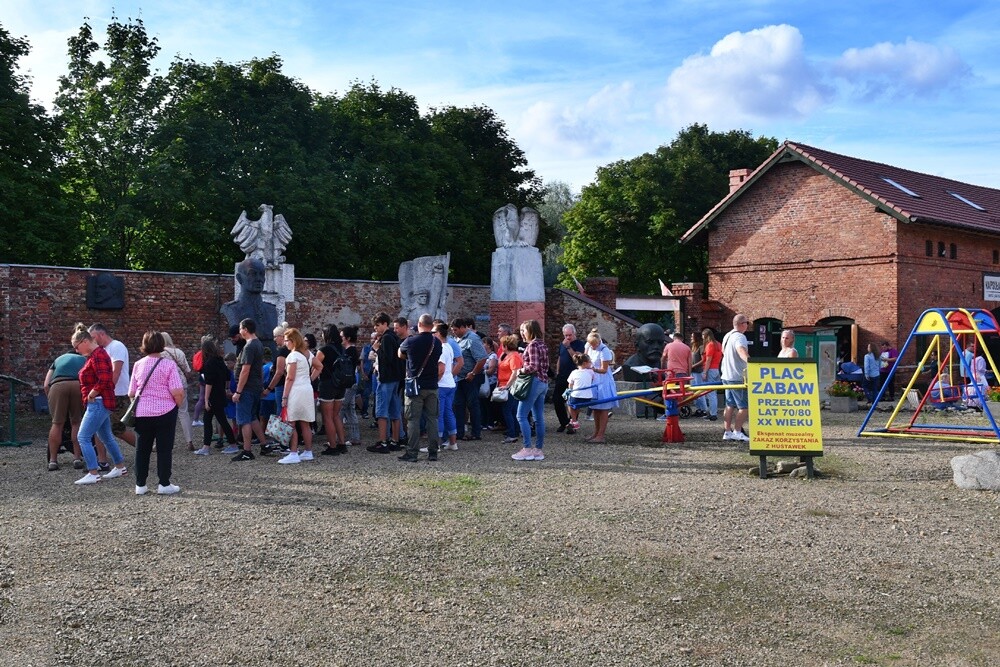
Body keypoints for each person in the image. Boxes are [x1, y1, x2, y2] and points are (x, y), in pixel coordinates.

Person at [70, 324, 128, 485]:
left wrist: (92, 393)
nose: (76, 350)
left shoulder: (98, 355)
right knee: (105, 436)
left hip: (99, 402)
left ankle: (93, 472)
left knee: (83, 436)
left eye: (76, 346)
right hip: (101, 401)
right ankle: (120, 466)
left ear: (84, 342)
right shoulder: (97, 355)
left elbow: (104, 379)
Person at [129, 331, 184, 495]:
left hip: (142, 412)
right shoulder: (168, 364)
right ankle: (164, 483)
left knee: (142, 449)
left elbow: (131, 392)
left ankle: (140, 484)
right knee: (164, 448)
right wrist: (177, 405)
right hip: (165, 410)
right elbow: (177, 390)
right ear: (161, 345)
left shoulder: (138, 364)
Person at [397, 314, 442, 462]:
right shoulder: (437, 342)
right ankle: (433, 452)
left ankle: (412, 452)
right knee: (432, 419)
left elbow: (400, 354)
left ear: (419, 324)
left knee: (413, 420)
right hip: (432, 385)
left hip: (415, 386)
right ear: (431, 326)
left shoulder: (411, 341)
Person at [88, 323, 136, 449]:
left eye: (93, 337)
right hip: (108, 393)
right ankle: (102, 460)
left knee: (118, 429)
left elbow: (116, 371)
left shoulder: (116, 346)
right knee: (100, 426)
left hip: (117, 394)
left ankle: (145, 447)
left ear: (101, 334)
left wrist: (106, 391)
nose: (92, 341)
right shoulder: (103, 350)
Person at [230, 318, 271, 461]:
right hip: (254, 386)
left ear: (245, 329)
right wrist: (260, 386)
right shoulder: (258, 344)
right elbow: (258, 368)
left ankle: (247, 451)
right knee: (253, 417)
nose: (239, 331)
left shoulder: (249, 347)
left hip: (246, 388)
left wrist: (238, 391)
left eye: (241, 329)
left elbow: (245, 370)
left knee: (244, 420)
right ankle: (264, 445)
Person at [510, 320, 549, 461]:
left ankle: (527, 449)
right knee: (538, 418)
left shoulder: (532, 345)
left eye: (524, 330)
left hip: (533, 382)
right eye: (520, 330)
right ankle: (538, 450)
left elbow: (533, 366)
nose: (521, 333)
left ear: (531, 331)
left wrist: (520, 370)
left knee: (521, 416)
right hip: (543, 382)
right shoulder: (542, 344)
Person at [220, 257, 278, 352]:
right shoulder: (231, 309)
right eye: (253, 274)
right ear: (239, 278)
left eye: (262, 274)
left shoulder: (271, 310)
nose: (259, 279)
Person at [367, 312, 405, 453]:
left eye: (377, 325)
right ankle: (395, 441)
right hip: (395, 379)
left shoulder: (387, 338)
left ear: (384, 324)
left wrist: (377, 349)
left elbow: (387, 359)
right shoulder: (395, 337)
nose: (375, 328)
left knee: (381, 411)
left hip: (387, 379)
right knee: (395, 411)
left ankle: (382, 442)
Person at [43, 345, 86, 470]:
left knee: (57, 424)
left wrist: (51, 400)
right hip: (77, 385)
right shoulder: (84, 359)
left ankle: (53, 461)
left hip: (58, 385)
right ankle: (77, 458)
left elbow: (46, 385)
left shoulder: (58, 360)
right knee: (76, 422)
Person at [278, 328, 317, 464]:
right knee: (305, 423)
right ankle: (308, 451)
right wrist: (309, 378)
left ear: (293, 341)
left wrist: (284, 397)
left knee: (292, 422)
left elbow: (290, 378)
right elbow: (319, 366)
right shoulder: (307, 354)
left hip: (296, 391)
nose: (285, 342)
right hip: (306, 389)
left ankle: (293, 452)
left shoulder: (293, 356)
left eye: (287, 340)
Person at [195, 338, 236, 455]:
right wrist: (226, 388)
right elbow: (228, 376)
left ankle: (206, 447)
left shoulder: (209, 363)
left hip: (213, 396)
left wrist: (206, 400)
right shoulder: (220, 361)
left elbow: (209, 383)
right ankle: (231, 444)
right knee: (221, 420)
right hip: (220, 394)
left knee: (209, 420)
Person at [452, 317, 488, 441]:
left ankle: (476, 432)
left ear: (463, 327)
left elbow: (482, 358)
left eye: (456, 330)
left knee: (472, 404)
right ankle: (459, 432)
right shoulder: (457, 339)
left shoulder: (472, 339)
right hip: (460, 378)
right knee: (458, 405)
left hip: (472, 378)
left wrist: (473, 373)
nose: (454, 332)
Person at [314, 324, 347, 457]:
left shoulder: (324, 350)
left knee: (327, 417)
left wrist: (309, 380)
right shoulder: (342, 349)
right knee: (336, 415)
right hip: (341, 384)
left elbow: (316, 366)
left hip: (327, 383)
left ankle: (332, 446)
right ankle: (342, 443)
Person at [160, 332, 195, 451]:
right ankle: (189, 440)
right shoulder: (179, 352)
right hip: (181, 384)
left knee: (164, 415)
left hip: (166, 386)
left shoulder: (160, 354)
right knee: (183, 413)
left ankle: (162, 441)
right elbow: (187, 369)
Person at [721, 314, 751, 443]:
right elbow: (741, 351)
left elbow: (723, 351)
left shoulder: (727, 336)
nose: (747, 326)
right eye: (746, 323)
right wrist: (751, 362)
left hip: (726, 375)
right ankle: (738, 432)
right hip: (737, 376)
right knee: (744, 407)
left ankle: (727, 431)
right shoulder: (740, 336)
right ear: (741, 324)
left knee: (729, 405)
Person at [585, 330, 618, 443]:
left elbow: (604, 370)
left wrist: (593, 369)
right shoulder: (590, 348)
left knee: (603, 408)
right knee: (595, 407)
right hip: (594, 381)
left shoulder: (605, 351)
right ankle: (595, 432)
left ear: (599, 342)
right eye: (591, 344)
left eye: (594, 344)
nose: (593, 347)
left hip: (603, 381)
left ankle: (601, 434)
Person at [553, 323, 586, 433]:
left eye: (570, 335)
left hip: (575, 377)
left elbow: (577, 358)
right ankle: (564, 422)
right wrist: (558, 371)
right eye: (566, 335)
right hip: (562, 376)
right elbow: (560, 358)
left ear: (574, 333)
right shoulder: (562, 344)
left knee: (573, 401)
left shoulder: (579, 344)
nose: (568, 337)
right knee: (557, 399)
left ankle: (573, 424)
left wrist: (568, 347)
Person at [434, 322, 461, 452]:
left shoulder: (441, 348)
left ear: (439, 333)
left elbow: (441, 369)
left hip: (442, 385)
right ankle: (453, 442)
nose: (432, 335)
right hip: (450, 383)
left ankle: (436, 444)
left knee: (438, 414)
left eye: (434, 332)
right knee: (448, 413)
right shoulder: (449, 346)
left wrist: (435, 381)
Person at [338, 326, 363, 451]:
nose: (340, 338)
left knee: (341, 409)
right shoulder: (352, 351)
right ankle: (355, 437)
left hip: (348, 383)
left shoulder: (349, 351)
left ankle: (339, 438)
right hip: (352, 382)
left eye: (342, 336)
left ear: (347, 338)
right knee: (350, 410)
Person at [496, 335, 524, 444]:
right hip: (505, 385)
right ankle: (515, 431)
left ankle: (512, 433)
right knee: (511, 410)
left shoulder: (514, 357)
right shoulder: (509, 356)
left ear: (506, 346)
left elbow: (515, 372)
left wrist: (507, 385)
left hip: (510, 386)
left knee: (508, 410)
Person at [566, 353, 597, 432]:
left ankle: (574, 420)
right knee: (577, 406)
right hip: (588, 397)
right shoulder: (591, 372)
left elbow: (570, 384)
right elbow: (592, 380)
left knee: (569, 404)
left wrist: (570, 390)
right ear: (585, 363)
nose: (591, 364)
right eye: (590, 362)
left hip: (577, 395)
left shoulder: (574, 372)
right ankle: (573, 421)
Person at [700, 329, 721, 422]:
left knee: (710, 393)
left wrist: (705, 372)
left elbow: (708, 359)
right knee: (713, 393)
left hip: (710, 370)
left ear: (705, 335)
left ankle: (713, 414)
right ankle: (713, 413)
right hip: (716, 369)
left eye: (702, 335)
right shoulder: (718, 344)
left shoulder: (710, 345)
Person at [689, 332, 707, 418]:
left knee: (700, 391)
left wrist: (693, 365)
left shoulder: (701, 347)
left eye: (692, 336)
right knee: (694, 391)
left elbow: (703, 360)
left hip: (698, 371)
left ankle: (704, 409)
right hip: (692, 371)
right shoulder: (693, 347)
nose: (691, 338)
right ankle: (698, 409)